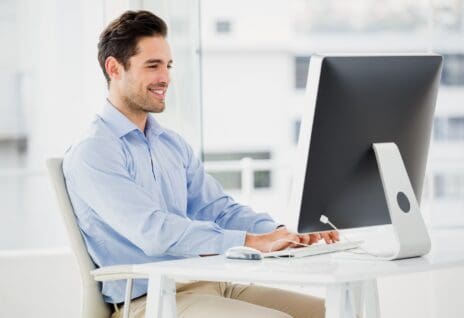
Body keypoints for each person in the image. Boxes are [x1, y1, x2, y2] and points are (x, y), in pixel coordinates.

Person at [63, 10, 338, 318]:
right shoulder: (94, 151)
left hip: (213, 284)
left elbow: (220, 210)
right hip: (149, 300)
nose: (165, 77)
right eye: (152, 66)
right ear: (114, 68)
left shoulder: (171, 144)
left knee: (339, 312)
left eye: (167, 65)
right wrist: (253, 242)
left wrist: (282, 233)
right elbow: (155, 232)